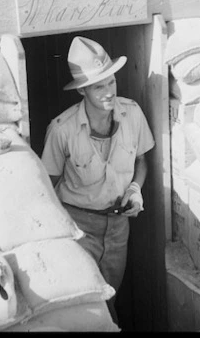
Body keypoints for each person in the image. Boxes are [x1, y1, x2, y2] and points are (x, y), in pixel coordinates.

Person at [40, 36, 155, 324]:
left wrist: (135, 190)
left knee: (110, 296)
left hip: (118, 228)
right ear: (82, 90)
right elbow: (46, 187)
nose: (108, 92)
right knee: (87, 304)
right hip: (80, 228)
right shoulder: (61, 130)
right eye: (98, 86)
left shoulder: (133, 114)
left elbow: (142, 160)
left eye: (111, 82)